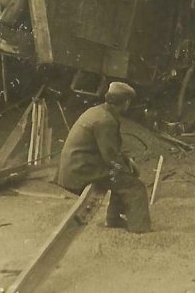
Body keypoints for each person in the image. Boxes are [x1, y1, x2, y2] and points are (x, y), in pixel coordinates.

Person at [55, 82, 151, 233]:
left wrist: (127, 161)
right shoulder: (105, 121)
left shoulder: (98, 111)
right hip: (81, 170)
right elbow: (111, 158)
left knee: (121, 176)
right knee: (134, 185)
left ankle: (113, 219)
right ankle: (140, 228)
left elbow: (109, 149)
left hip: (77, 165)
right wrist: (126, 169)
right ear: (125, 102)